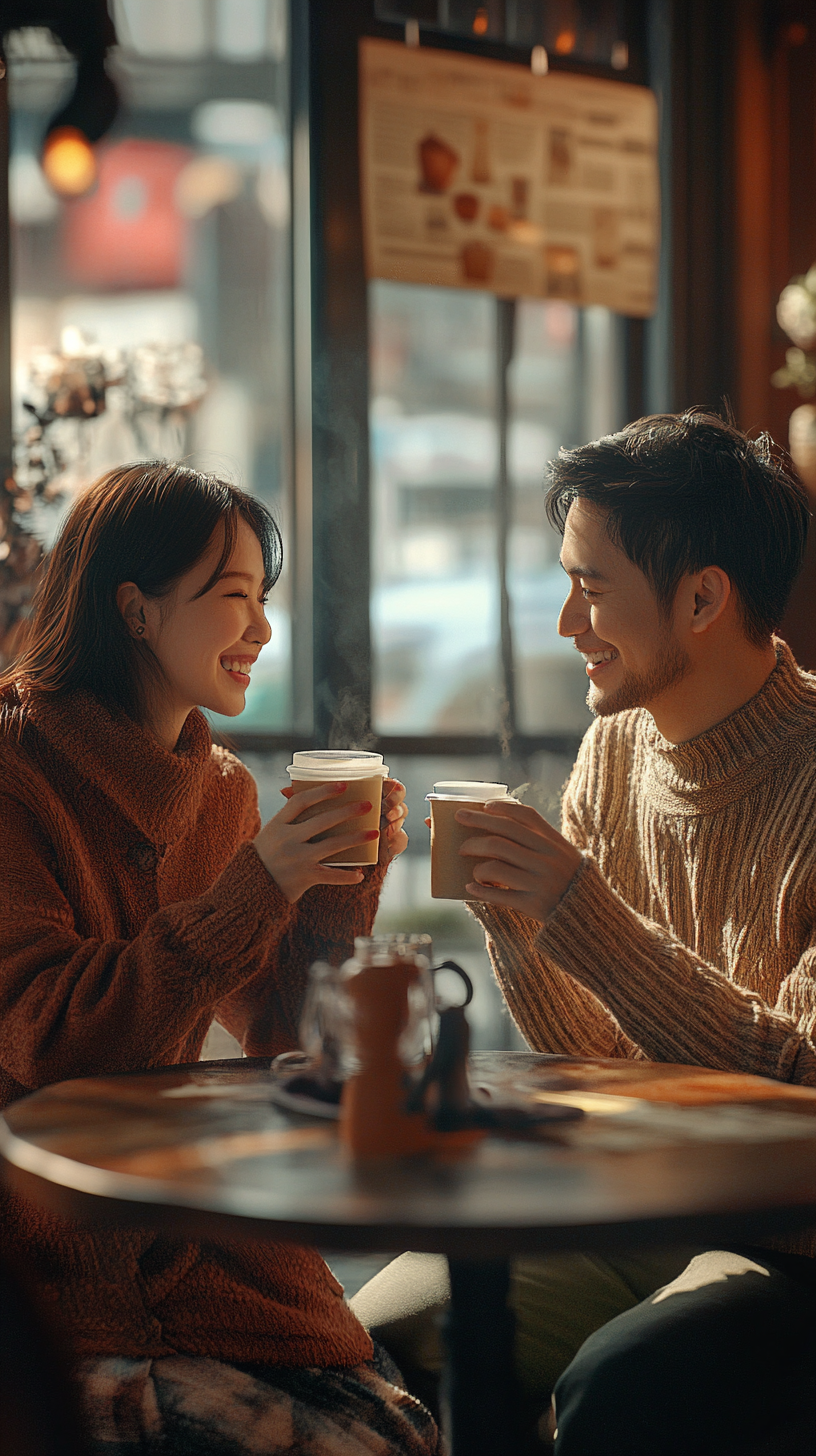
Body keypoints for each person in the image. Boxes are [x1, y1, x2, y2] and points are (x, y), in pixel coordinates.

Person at [352, 410, 816, 1455]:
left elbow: (802, 1087)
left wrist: (581, 913)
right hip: (623, 1203)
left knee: (620, 1386)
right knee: (355, 1346)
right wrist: (517, 923)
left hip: (788, 1237)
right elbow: (596, 1062)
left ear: (703, 597)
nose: (567, 622)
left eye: (593, 587)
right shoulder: (615, 753)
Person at [0, 461, 441, 1456]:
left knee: (406, 1430)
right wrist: (261, 883)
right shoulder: (16, 773)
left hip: (191, 1233)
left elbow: (288, 1042)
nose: (262, 631)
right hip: (56, 1266)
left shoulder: (224, 792)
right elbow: (54, 1035)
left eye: (264, 600)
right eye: (233, 598)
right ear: (138, 611)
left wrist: (333, 889)